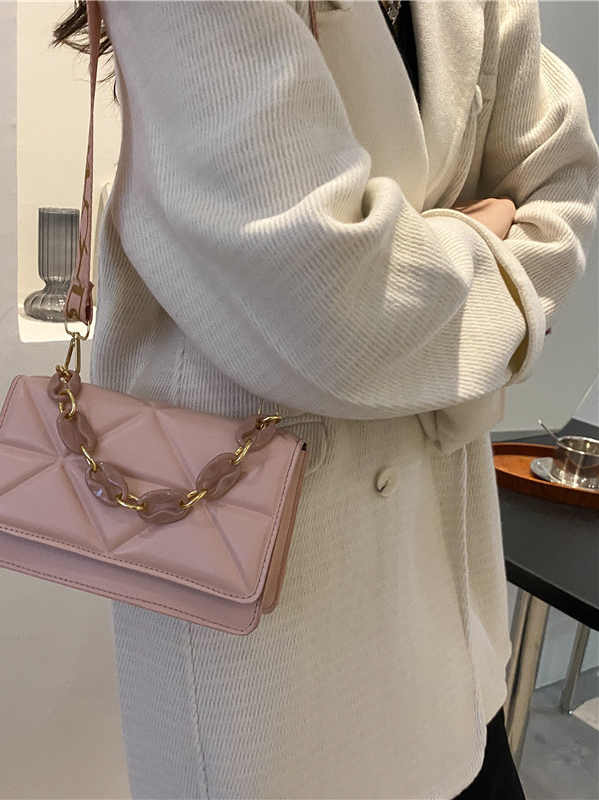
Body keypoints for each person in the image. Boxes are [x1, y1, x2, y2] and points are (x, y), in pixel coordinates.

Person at [53, 1, 599, 797]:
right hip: (268, 632)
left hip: (446, 600)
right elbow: (332, 309)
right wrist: (488, 250)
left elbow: (563, 180)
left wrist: (410, 264)